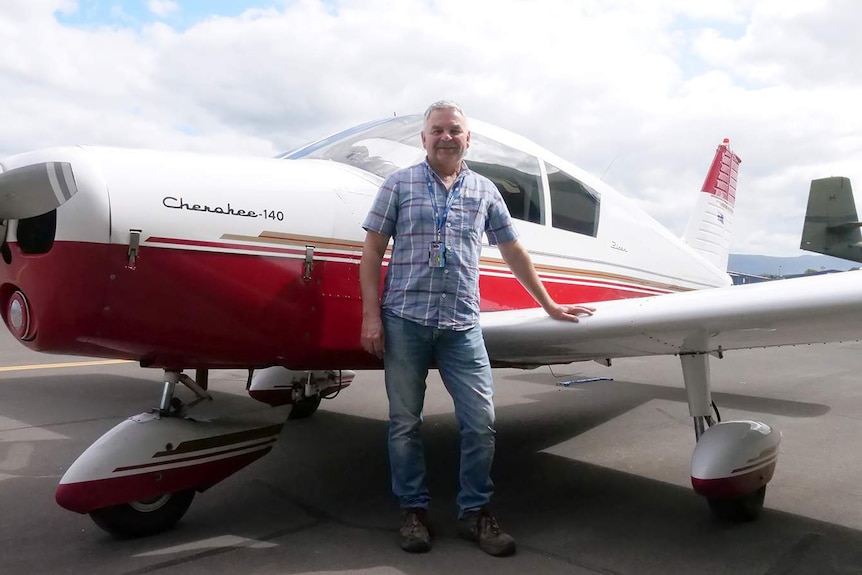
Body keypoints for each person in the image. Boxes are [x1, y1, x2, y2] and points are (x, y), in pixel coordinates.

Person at [359, 100, 594, 557]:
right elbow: (371, 253)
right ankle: (412, 511)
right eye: (437, 130)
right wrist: (371, 316)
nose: (446, 136)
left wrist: (549, 304)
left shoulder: (486, 190)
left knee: (481, 424)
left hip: (462, 324)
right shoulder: (398, 184)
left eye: (455, 130)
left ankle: (474, 512)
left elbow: (512, 251)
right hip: (404, 319)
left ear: (469, 139)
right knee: (404, 423)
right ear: (423, 138)